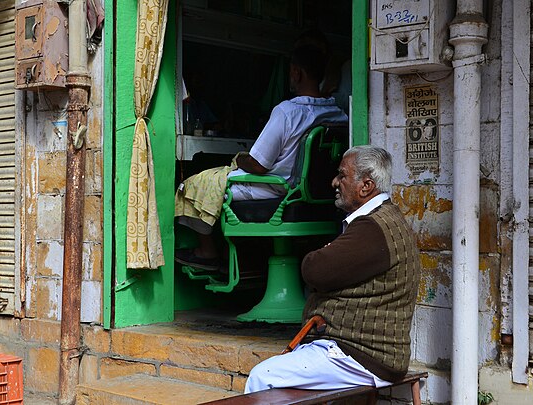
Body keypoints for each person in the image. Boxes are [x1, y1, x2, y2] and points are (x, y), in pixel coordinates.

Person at [244, 146, 421, 393]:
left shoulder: (372, 228)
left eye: (342, 175)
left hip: (362, 355)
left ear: (366, 186)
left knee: (263, 377)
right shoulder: (383, 219)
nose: (334, 182)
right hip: (364, 351)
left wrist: (324, 253)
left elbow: (314, 270)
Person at [175, 44, 348, 268]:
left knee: (193, 185)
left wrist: (240, 159)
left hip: (275, 189)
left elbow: (258, 165)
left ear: (296, 73)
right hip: (317, 197)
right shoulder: (339, 113)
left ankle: (207, 252)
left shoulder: (288, 112)